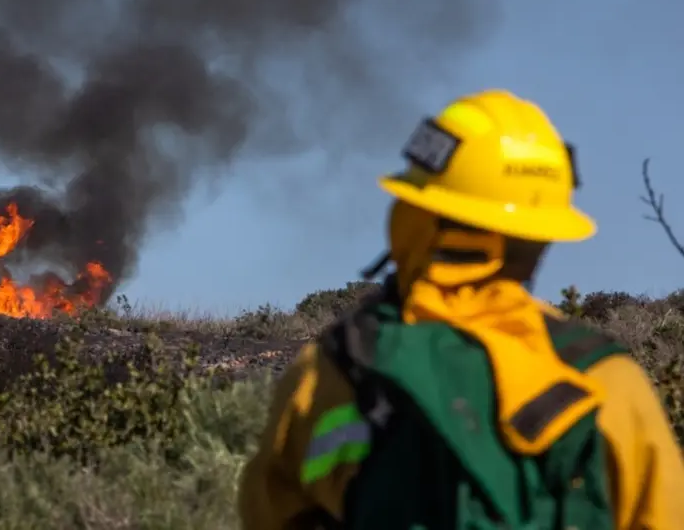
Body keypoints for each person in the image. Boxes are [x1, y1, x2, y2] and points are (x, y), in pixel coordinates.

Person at [237, 89, 684, 530]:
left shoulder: (331, 372)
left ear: (413, 217)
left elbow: (268, 511)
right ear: (539, 240)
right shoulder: (605, 382)